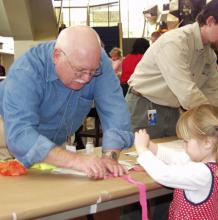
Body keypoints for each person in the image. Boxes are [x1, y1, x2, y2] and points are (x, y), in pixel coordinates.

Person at [0, 25, 133, 179]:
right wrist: (76, 160)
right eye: (79, 71)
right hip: (8, 137)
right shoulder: (26, 70)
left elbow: (115, 111)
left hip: (52, 145)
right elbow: (19, 136)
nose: (87, 78)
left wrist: (110, 157)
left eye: (92, 71)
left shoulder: (96, 61)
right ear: (57, 56)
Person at [126, 0, 218, 138]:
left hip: (173, 110)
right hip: (145, 107)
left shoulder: (209, 54)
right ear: (210, 21)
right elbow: (187, 93)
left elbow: (214, 91)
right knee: (139, 155)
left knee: (174, 154)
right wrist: (214, 122)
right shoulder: (176, 42)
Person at [135, 104, 218, 220]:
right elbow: (176, 157)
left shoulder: (202, 173)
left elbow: (163, 174)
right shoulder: (207, 165)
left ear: (207, 143)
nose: (183, 146)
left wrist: (142, 150)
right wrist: (151, 146)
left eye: (186, 141)